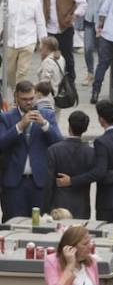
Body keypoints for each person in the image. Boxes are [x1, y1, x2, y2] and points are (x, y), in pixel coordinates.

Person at [0, 80, 63, 219]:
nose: (29, 103)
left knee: (38, 225)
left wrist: (45, 125)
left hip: (39, 183)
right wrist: (19, 126)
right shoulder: (6, 117)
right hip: (15, 183)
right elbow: (2, 143)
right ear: (16, 97)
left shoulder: (47, 115)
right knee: (14, 224)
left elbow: (58, 142)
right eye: (24, 99)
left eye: (31, 98)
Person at [45, 110, 97, 219]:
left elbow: (48, 181)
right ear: (85, 129)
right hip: (82, 205)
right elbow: (93, 175)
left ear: (69, 126)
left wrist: (46, 206)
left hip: (59, 204)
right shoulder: (91, 152)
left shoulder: (54, 150)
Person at [4, 0, 46, 90]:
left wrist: (43, 41)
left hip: (28, 41)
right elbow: (1, 17)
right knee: (9, 71)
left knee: (22, 71)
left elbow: (40, 22)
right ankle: (15, 90)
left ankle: (19, 97)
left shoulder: (35, 1)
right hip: (11, 41)